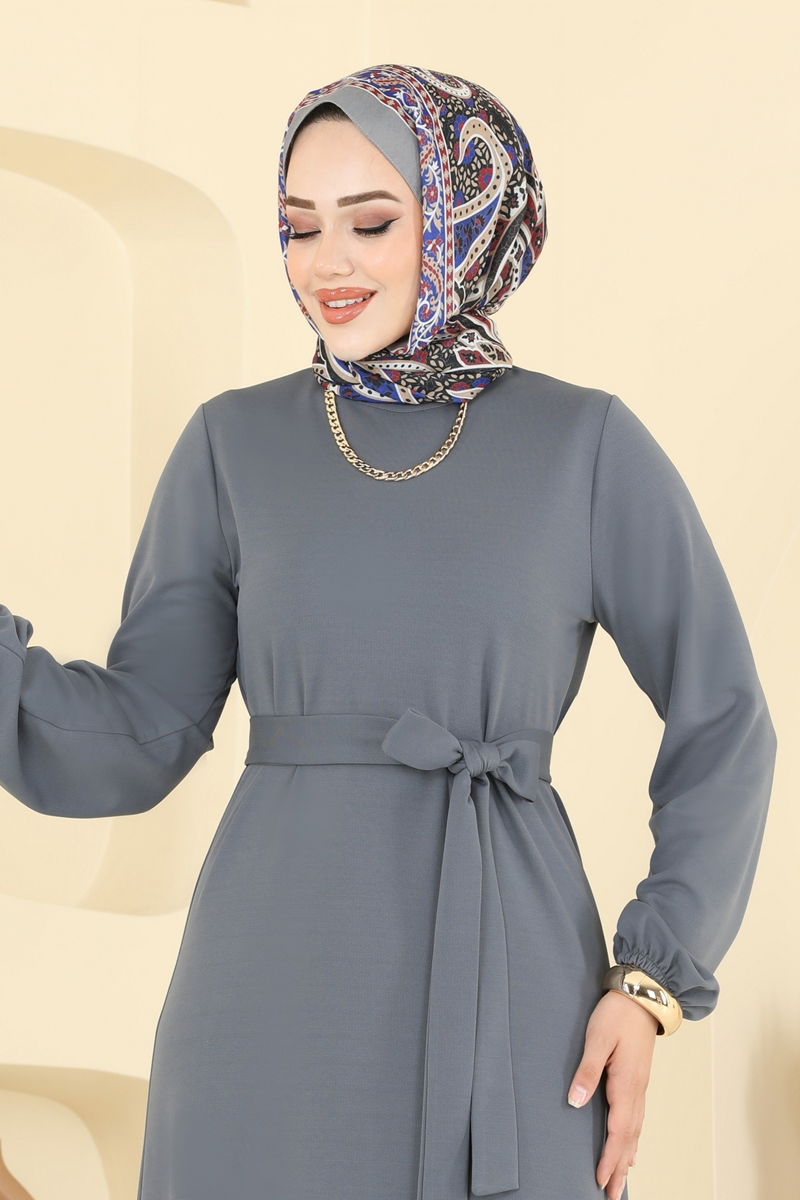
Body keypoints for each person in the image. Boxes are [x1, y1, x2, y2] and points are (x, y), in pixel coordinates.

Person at [0, 63, 777, 1200]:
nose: (328, 263)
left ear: (459, 224)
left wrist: (651, 980)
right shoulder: (232, 444)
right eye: (298, 226)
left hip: (509, 984)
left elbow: (725, 716)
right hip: (263, 995)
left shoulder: (584, 446)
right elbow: (135, 734)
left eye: (370, 223)